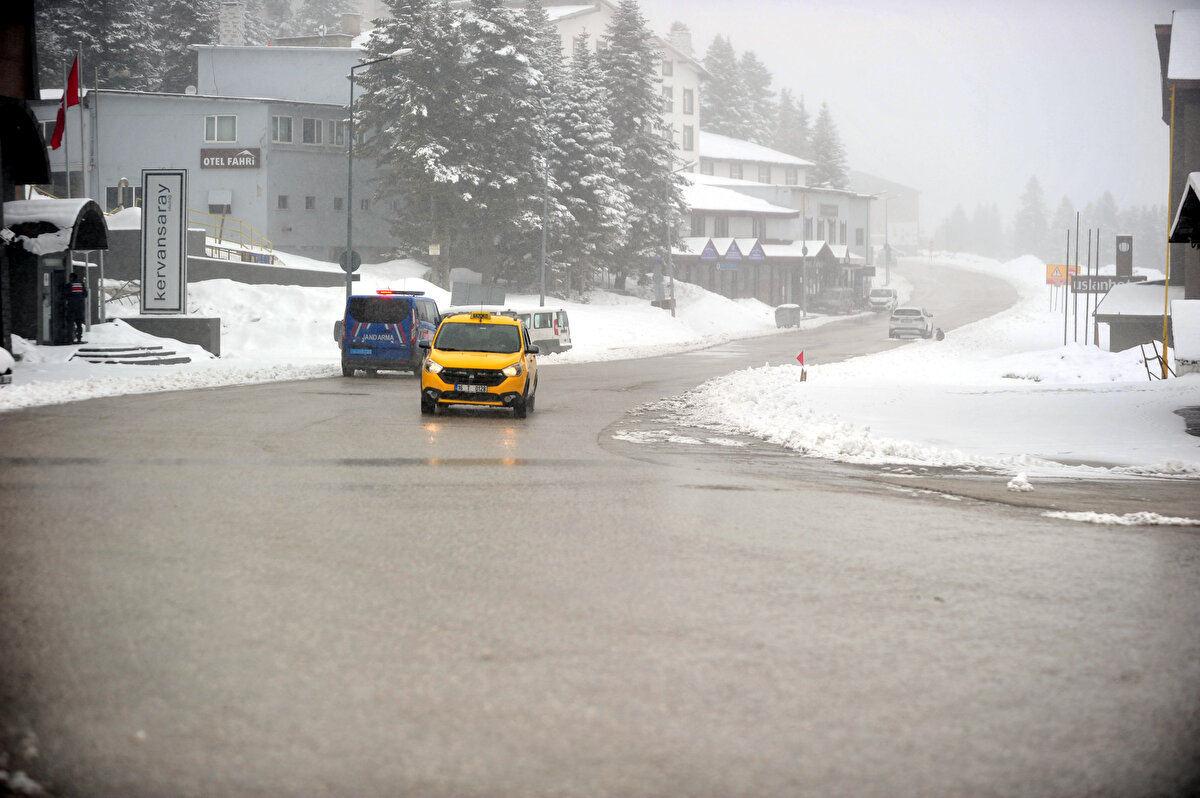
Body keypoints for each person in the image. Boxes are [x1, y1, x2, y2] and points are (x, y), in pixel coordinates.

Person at [65, 271, 87, 343]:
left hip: (71, 307)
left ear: (71, 278)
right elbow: (85, 294)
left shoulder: (69, 285)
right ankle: (79, 338)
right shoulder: (81, 284)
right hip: (80, 307)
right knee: (79, 323)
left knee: (70, 323)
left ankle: (70, 339)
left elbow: (65, 294)